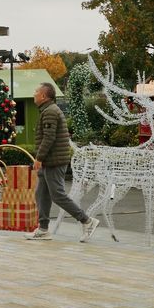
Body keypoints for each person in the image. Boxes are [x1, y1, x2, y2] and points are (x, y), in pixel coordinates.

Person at [28, 82, 99, 242]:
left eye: (36, 91)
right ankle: (43, 229)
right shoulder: (47, 110)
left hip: (54, 161)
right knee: (42, 193)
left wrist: (39, 158)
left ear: (43, 96)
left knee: (57, 195)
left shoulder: (50, 112)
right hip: (50, 161)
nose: (34, 93)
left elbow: (49, 137)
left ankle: (87, 221)